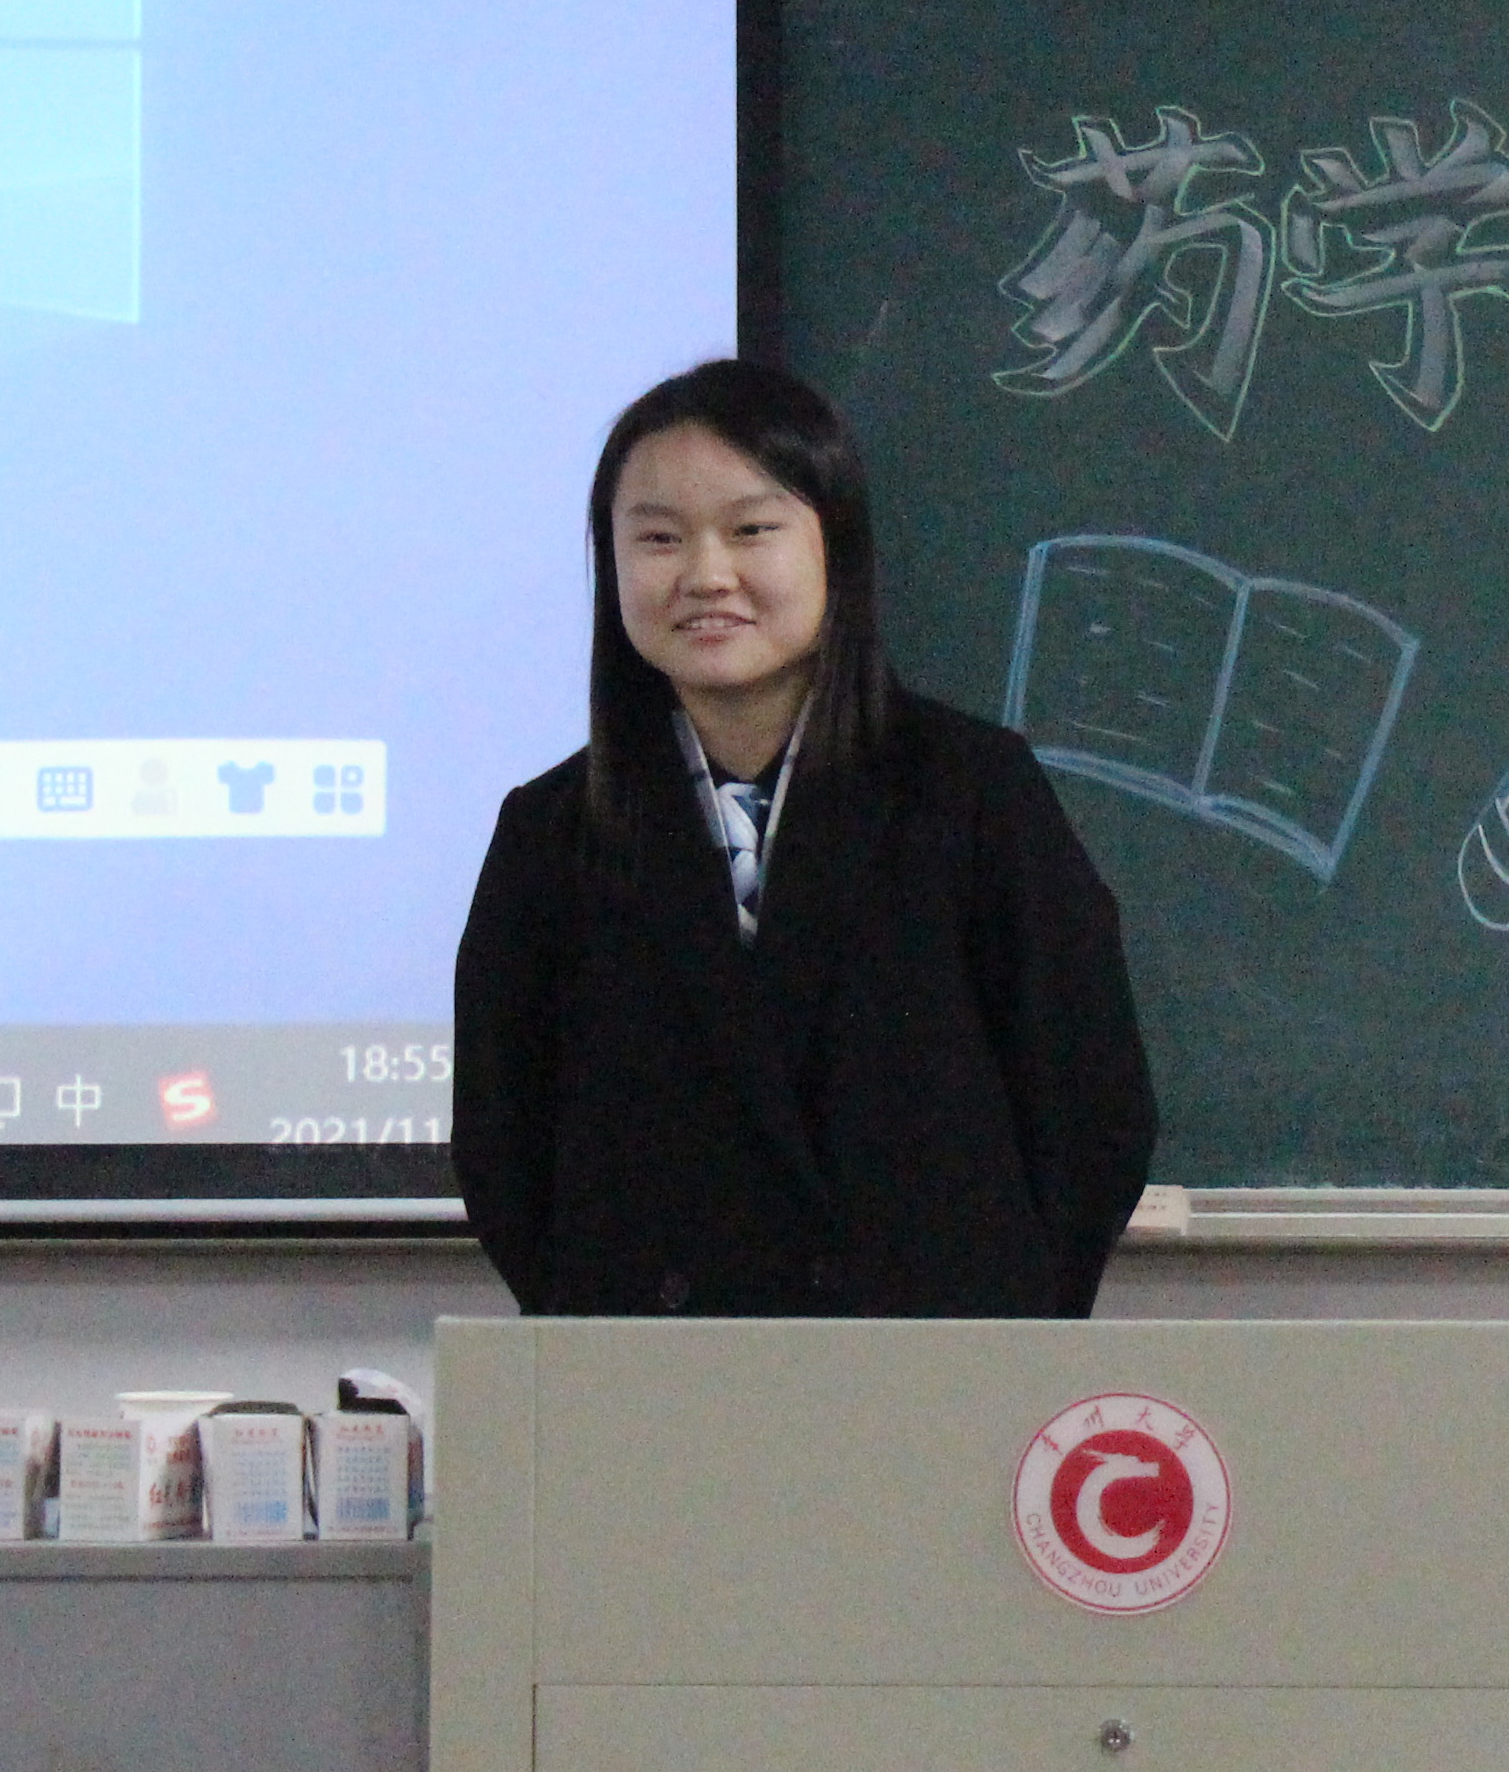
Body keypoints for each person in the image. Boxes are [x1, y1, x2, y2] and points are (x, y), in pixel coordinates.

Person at [451, 358, 1157, 1317]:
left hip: (929, 1367)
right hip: (651, 1376)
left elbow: (1091, 1105)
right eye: (658, 538)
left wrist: (1003, 1326)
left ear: (837, 549)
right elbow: (503, 1145)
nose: (706, 575)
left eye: (752, 530)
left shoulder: (971, 793)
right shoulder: (551, 832)